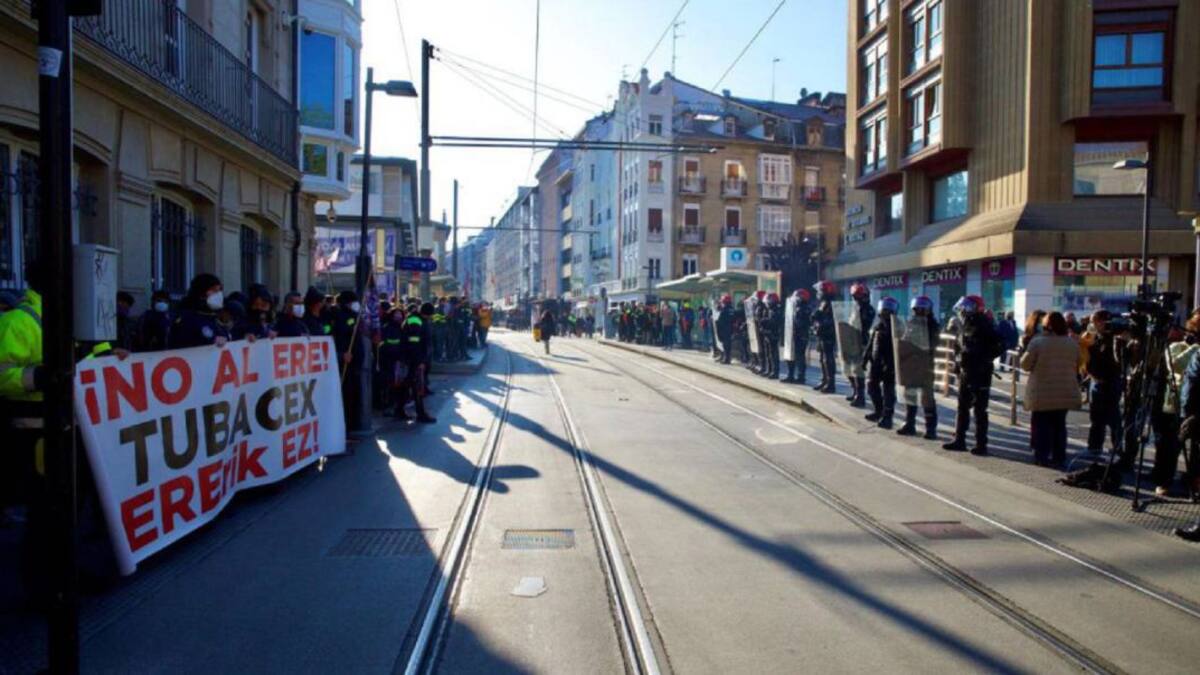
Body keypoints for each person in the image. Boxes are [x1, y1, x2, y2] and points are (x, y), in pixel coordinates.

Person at [1020, 312, 1083, 467]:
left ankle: (1042, 456)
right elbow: (1079, 363)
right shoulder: (1072, 344)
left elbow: (1025, 365)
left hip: (1042, 391)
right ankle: (1059, 456)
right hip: (1065, 390)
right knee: (1059, 425)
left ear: (1047, 325)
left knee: (1041, 425)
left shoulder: (1037, 342)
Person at [943, 295, 1002, 455]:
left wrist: (983, 359)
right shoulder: (965, 324)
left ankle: (981, 444)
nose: (963, 310)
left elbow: (999, 345)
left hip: (980, 372)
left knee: (980, 410)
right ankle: (959, 440)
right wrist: (958, 365)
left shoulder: (984, 324)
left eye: (967, 307)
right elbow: (960, 347)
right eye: (963, 307)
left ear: (976, 308)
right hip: (966, 371)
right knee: (962, 407)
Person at [896, 296, 940, 439]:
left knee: (927, 398)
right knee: (910, 395)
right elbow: (905, 339)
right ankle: (909, 424)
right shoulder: (910, 323)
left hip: (926, 365)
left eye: (922, 309)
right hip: (911, 364)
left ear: (928, 310)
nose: (919, 312)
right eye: (917, 309)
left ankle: (931, 429)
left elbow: (933, 344)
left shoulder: (932, 325)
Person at [1082, 309, 1123, 458]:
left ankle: (1118, 447)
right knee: (1096, 418)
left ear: (1102, 322)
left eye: (1094, 322)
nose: (1092, 325)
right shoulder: (1096, 337)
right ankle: (1094, 447)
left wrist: (1090, 347)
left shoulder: (1113, 339)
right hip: (1096, 381)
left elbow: (1108, 361)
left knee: (1112, 417)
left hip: (1109, 382)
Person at [394, 306, 436, 423]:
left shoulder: (418, 319)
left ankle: (399, 410)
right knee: (417, 386)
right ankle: (420, 414)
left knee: (408, 385)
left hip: (412, 359)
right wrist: (420, 361)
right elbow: (414, 342)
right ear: (428, 314)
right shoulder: (415, 320)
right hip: (412, 360)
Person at [333, 291, 366, 435]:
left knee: (354, 395)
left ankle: (353, 425)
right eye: (354, 301)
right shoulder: (340, 316)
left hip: (355, 362)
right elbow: (340, 336)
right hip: (346, 362)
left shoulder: (354, 316)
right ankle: (347, 428)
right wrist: (342, 355)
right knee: (347, 396)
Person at [168, 273, 230, 349]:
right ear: (201, 292)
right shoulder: (186, 318)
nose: (218, 294)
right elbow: (179, 345)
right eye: (214, 290)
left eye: (219, 290)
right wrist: (212, 341)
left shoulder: (214, 318)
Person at [863, 297, 898, 429]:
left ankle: (888, 417)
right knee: (871, 386)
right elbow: (871, 343)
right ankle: (878, 411)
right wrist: (865, 358)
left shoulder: (897, 327)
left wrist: (894, 364)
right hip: (876, 362)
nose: (885, 313)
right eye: (883, 310)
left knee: (888, 391)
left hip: (890, 363)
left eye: (888, 311)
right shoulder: (878, 326)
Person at [846, 282, 875, 408]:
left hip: (861, 341)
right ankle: (855, 391)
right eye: (854, 297)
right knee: (850, 368)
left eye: (857, 297)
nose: (855, 300)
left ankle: (860, 396)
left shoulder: (868, 309)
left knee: (858, 370)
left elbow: (864, 325)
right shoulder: (856, 309)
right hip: (852, 340)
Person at [811, 280, 838, 393]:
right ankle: (824, 380)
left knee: (828, 359)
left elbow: (831, 321)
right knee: (822, 359)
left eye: (820, 291)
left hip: (828, 335)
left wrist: (820, 325)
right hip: (822, 335)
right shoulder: (823, 304)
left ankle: (831, 383)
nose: (818, 293)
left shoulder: (831, 305)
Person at [784, 289, 811, 384]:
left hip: (801, 336)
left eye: (797, 297)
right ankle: (790, 375)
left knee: (800, 357)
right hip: (793, 334)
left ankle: (801, 377)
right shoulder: (795, 308)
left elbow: (803, 323)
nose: (795, 299)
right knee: (790, 355)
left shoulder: (805, 309)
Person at [763, 293, 783, 379]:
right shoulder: (770, 310)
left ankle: (775, 372)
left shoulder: (777, 310)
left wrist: (765, 321)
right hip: (768, 334)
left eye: (769, 300)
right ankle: (770, 370)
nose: (767, 302)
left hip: (773, 334)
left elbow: (774, 322)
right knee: (768, 353)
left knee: (773, 354)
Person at [715, 295, 734, 364]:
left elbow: (720, 319)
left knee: (725, 345)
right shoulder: (732, 309)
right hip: (731, 329)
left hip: (724, 329)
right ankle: (727, 358)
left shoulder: (724, 309)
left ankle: (726, 359)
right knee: (728, 345)